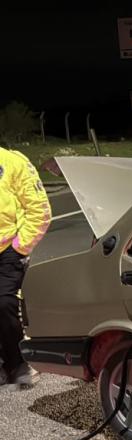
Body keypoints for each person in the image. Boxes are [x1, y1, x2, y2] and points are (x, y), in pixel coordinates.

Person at [0, 147, 51, 387]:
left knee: (4, 302)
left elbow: (40, 209)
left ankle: (19, 362)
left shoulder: (12, 161)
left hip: (8, 250)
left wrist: (20, 247)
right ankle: (5, 364)